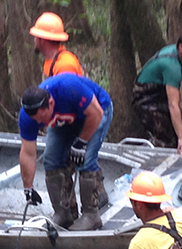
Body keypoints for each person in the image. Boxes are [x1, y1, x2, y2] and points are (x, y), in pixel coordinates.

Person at [18, 73, 113, 230]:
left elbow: (96, 113)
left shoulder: (68, 88)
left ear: (50, 103)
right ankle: (64, 213)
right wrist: (28, 187)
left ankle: (91, 215)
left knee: (85, 159)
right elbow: (28, 153)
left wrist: (81, 142)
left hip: (96, 111)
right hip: (65, 120)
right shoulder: (28, 116)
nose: (41, 124)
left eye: (42, 119)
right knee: (51, 159)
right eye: (37, 121)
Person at [133, 31, 182, 158]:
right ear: (181, 47)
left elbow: (175, 82)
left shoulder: (178, 56)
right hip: (144, 99)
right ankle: (149, 159)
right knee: (167, 138)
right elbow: (172, 105)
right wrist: (181, 138)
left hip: (159, 93)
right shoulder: (171, 65)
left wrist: (181, 103)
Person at [30, 12, 84, 78]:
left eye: (36, 37)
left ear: (42, 40)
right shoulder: (51, 60)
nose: (34, 40)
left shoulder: (64, 66)